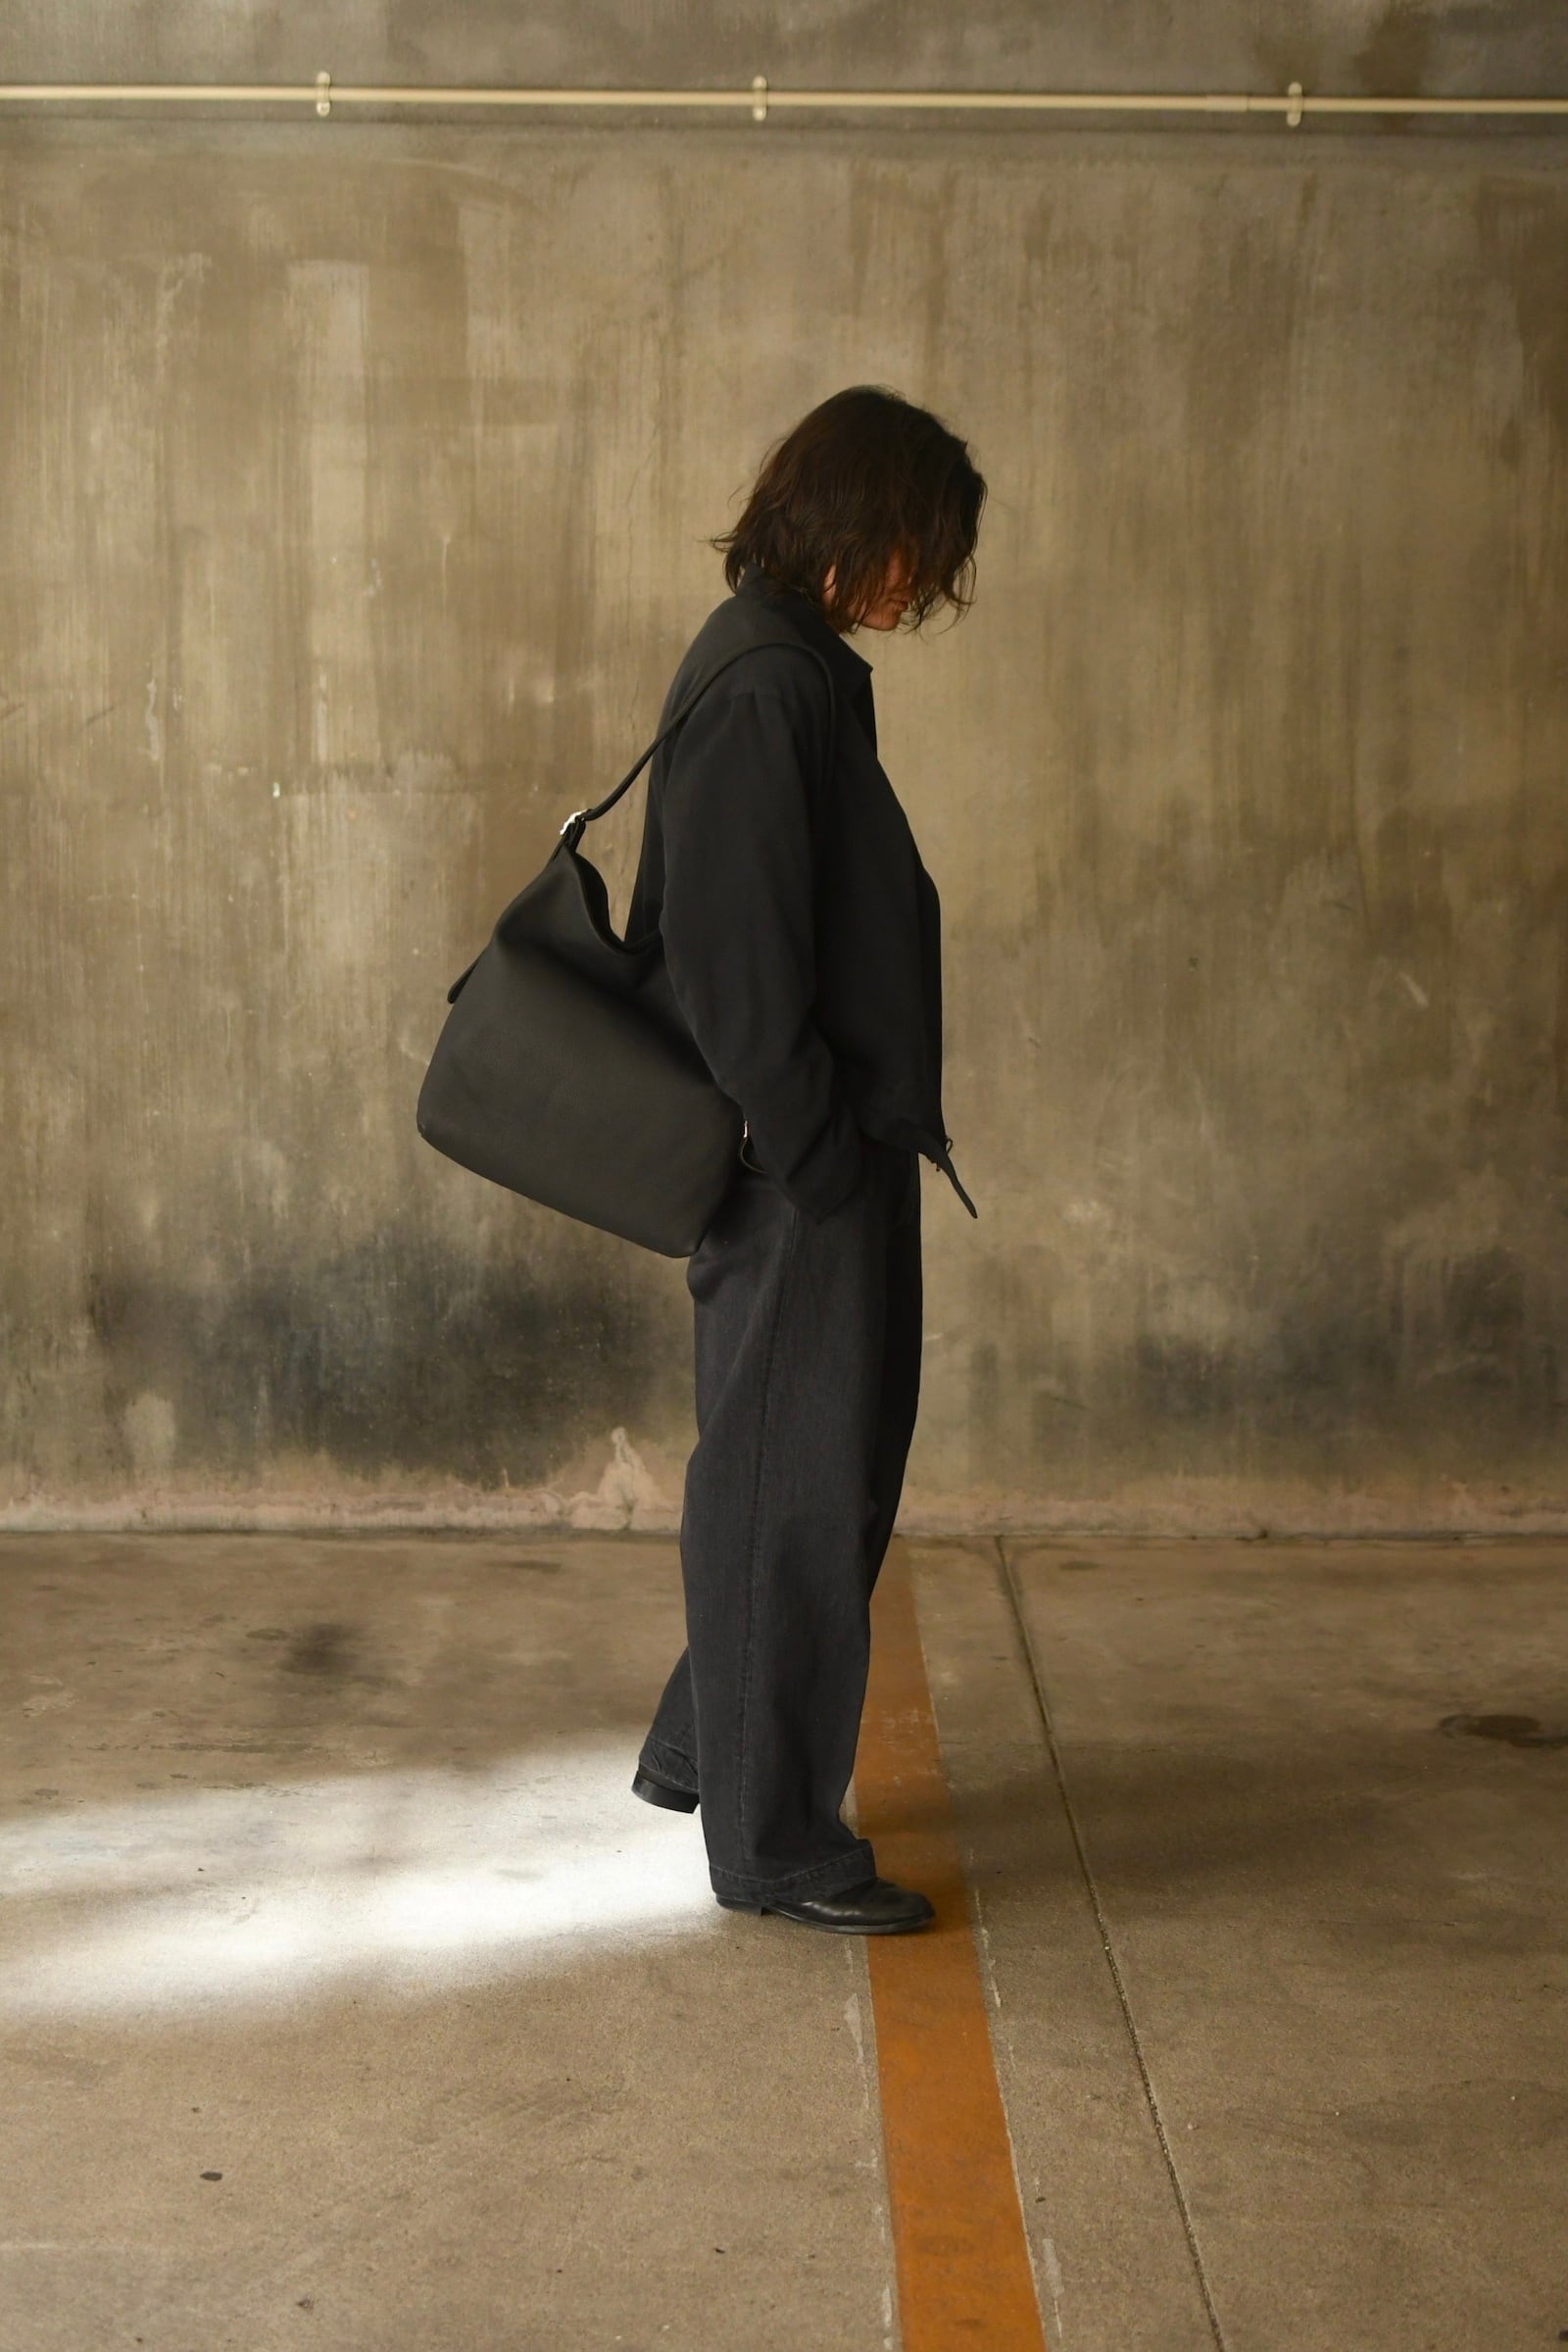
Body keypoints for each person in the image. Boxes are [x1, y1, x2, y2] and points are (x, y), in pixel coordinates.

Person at [626, 385, 986, 1936]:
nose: (921, 582)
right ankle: (772, 1844)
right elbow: (734, 963)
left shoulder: (796, 669)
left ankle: (704, 1750)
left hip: (834, 1149)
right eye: (914, 545)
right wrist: (821, 1154)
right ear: (850, 520)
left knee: (814, 1482)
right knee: (792, 1494)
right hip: (803, 1167)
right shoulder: (768, 684)